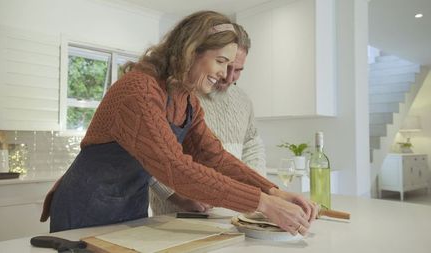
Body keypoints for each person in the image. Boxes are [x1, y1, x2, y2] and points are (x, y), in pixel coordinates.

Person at [41, 10, 318, 236]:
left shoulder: (187, 101)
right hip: (84, 209)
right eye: (221, 61)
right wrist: (262, 203)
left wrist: (273, 191)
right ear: (191, 51)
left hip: (129, 210)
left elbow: (215, 158)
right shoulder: (140, 90)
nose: (225, 74)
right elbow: (176, 168)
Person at [149, 23, 268, 216]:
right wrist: (177, 196)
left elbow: (247, 147)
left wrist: (261, 193)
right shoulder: (175, 93)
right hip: (178, 211)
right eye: (224, 64)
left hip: (232, 208)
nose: (228, 77)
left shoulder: (243, 100)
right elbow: (156, 157)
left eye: (238, 70)